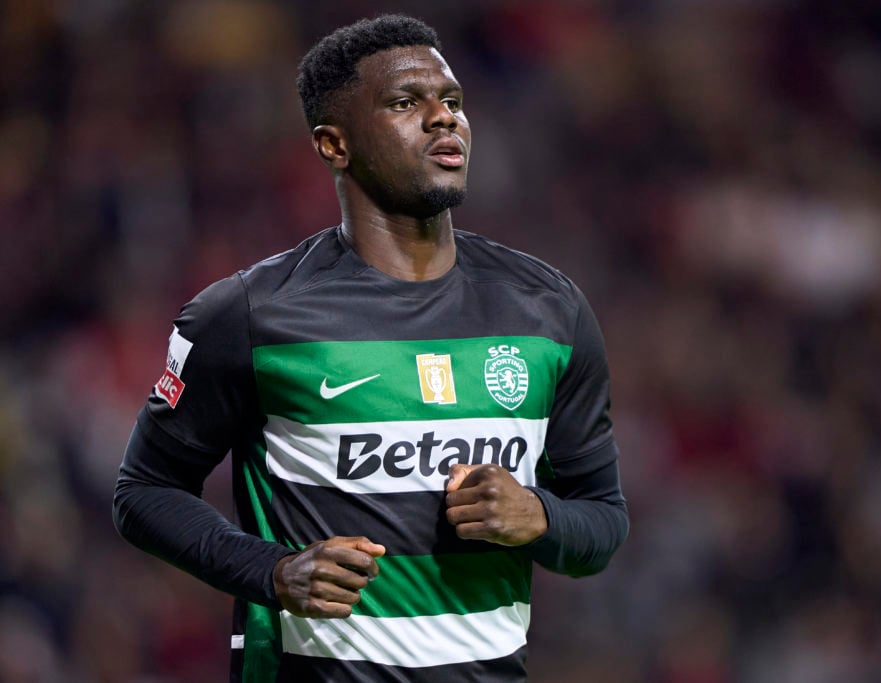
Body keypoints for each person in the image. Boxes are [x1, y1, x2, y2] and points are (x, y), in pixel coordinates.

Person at [113, 13, 628, 683]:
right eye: (407, 103)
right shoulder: (250, 314)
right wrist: (270, 570)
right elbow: (144, 492)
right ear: (334, 145)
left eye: (453, 102)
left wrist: (539, 515)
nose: (444, 119)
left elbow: (603, 522)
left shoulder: (547, 310)